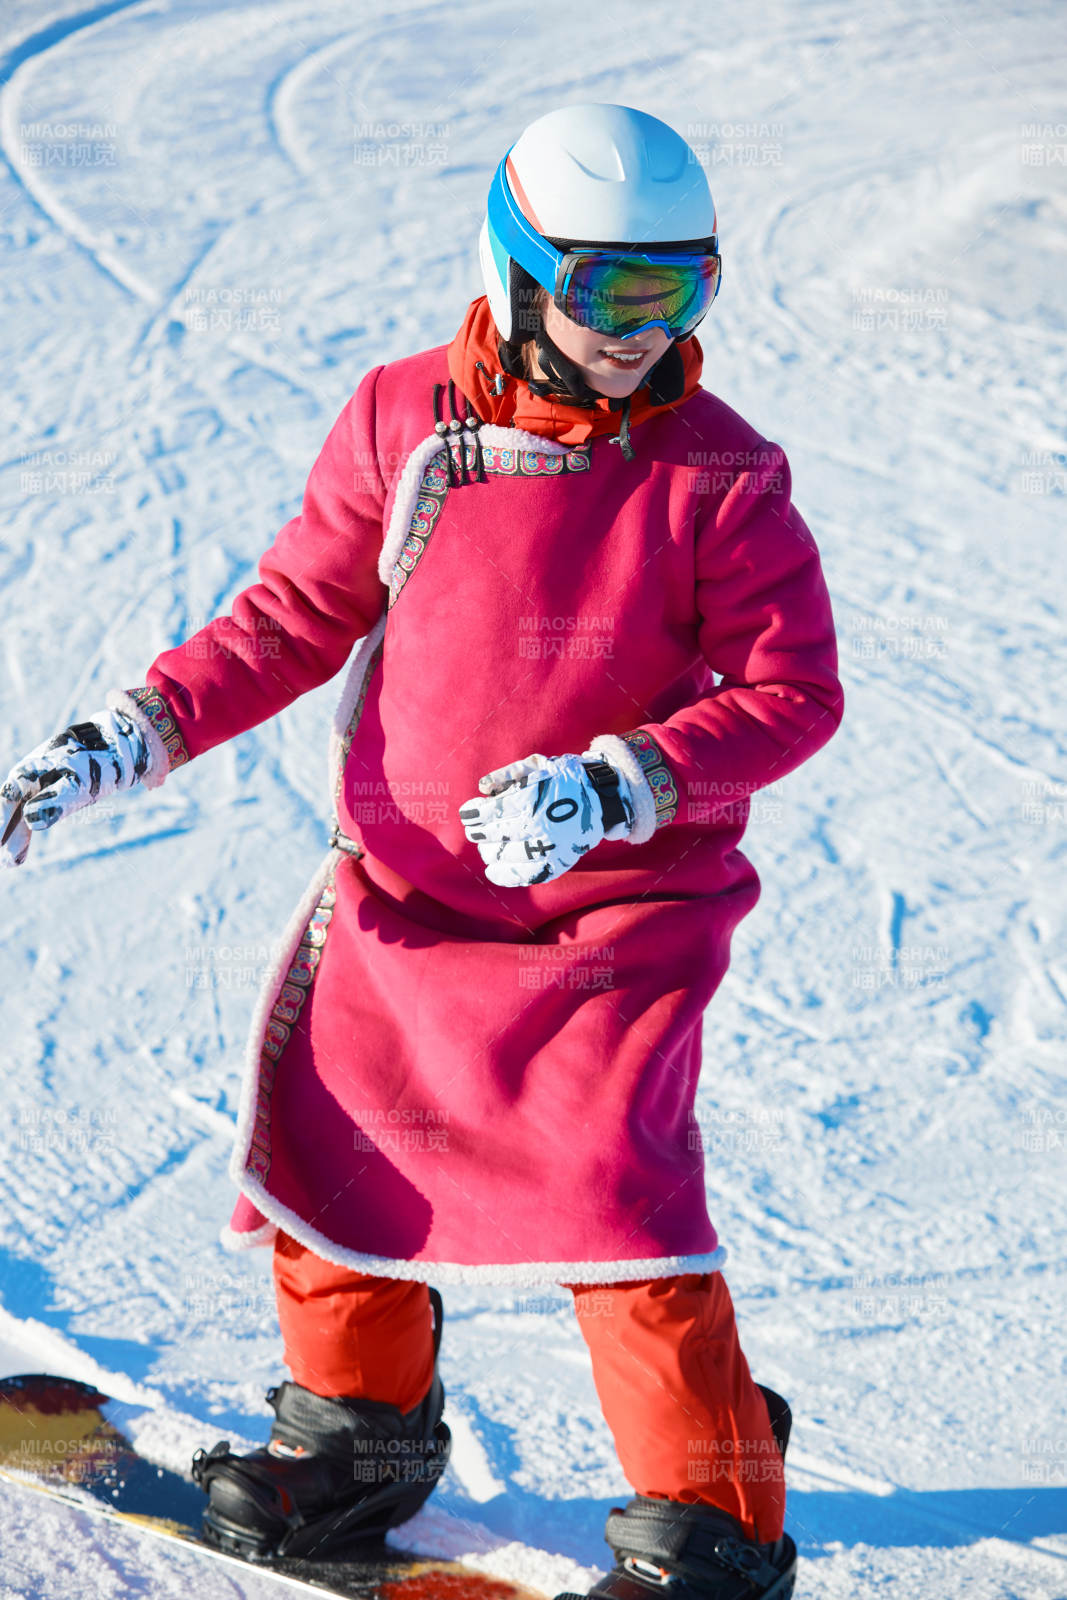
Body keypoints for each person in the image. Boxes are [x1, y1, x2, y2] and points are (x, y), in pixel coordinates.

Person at [1, 104, 842, 1599]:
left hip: (615, 922)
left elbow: (793, 692)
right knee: (338, 1158)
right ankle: (357, 1445)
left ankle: (719, 1520)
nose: (647, 331)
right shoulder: (407, 424)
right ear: (517, 272)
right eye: (608, 292)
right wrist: (134, 735)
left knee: (617, 1205)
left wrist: (620, 780)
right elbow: (289, 619)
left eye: (683, 288)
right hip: (405, 901)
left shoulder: (720, 475)